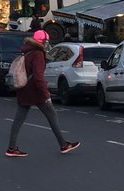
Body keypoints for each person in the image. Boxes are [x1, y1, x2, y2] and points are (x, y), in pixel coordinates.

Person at [5, 29, 80, 158]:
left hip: (23, 89)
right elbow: (38, 76)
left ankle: (11, 148)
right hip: (35, 91)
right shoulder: (38, 54)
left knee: (18, 120)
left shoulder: (26, 50)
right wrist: (46, 94)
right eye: (46, 41)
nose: (47, 43)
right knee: (52, 116)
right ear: (43, 41)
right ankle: (63, 144)